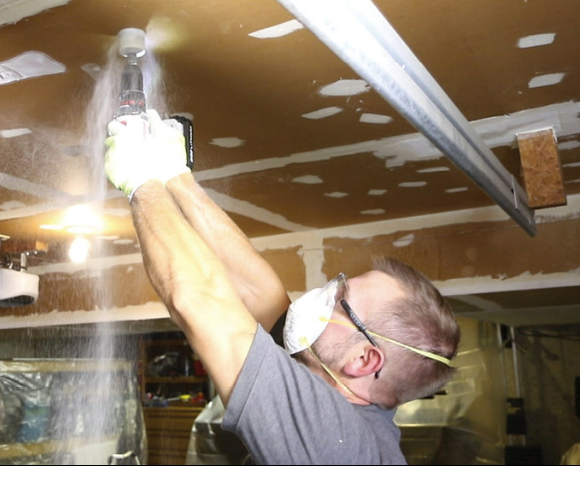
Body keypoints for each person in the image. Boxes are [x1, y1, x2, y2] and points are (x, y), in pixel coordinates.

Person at [103, 109, 461, 465]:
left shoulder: (339, 445)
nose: (324, 294)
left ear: (364, 359)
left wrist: (141, 183)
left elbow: (199, 302)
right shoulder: (327, 380)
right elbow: (259, 292)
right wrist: (174, 176)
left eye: (341, 301)